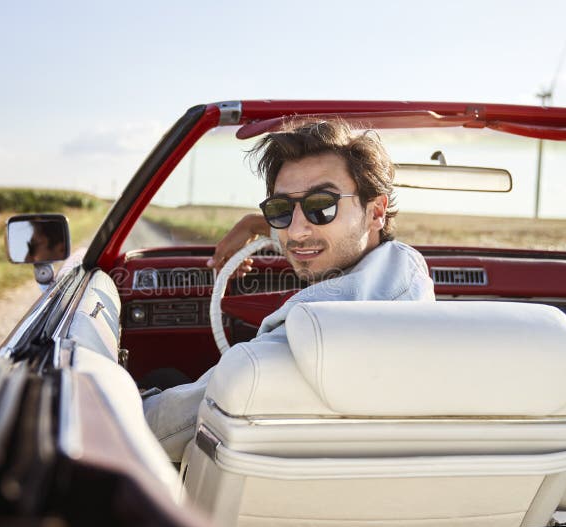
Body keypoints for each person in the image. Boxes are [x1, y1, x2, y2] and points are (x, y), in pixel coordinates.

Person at [143, 119, 436, 462]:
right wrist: (258, 223)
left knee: (162, 378)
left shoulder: (302, 336)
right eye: (281, 209)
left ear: (376, 211)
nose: (295, 232)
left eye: (322, 206)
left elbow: (159, 432)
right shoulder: (408, 276)